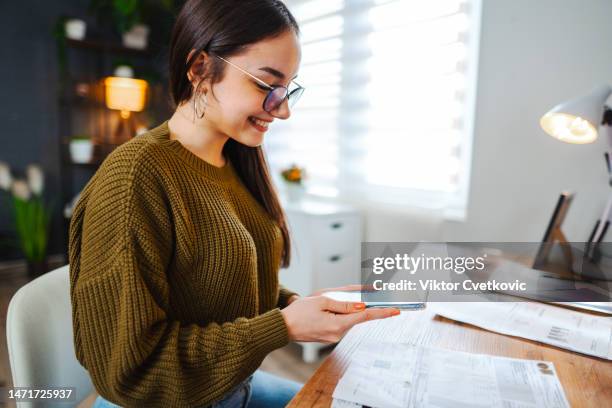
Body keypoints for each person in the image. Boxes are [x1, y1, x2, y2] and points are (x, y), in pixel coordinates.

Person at [68, 1, 400, 407]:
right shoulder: (136, 179)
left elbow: (222, 280)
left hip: (229, 388)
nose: (283, 110)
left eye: (288, 87)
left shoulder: (235, 160)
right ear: (199, 68)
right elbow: (131, 370)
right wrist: (281, 326)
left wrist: (296, 305)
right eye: (266, 85)